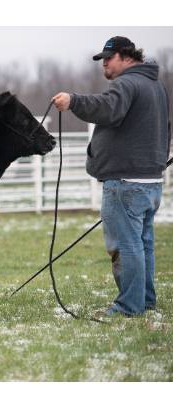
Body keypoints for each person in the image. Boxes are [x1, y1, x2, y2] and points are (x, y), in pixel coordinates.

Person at [52, 36, 171, 317]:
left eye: (109, 58)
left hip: (125, 183)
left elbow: (107, 108)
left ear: (127, 57)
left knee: (126, 246)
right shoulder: (155, 85)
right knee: (142, 245)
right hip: (150, 181)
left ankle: (129, 307)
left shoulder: (126, 84)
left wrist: (73, 101)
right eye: (101, 59)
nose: (104, 63)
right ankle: (144, 302)